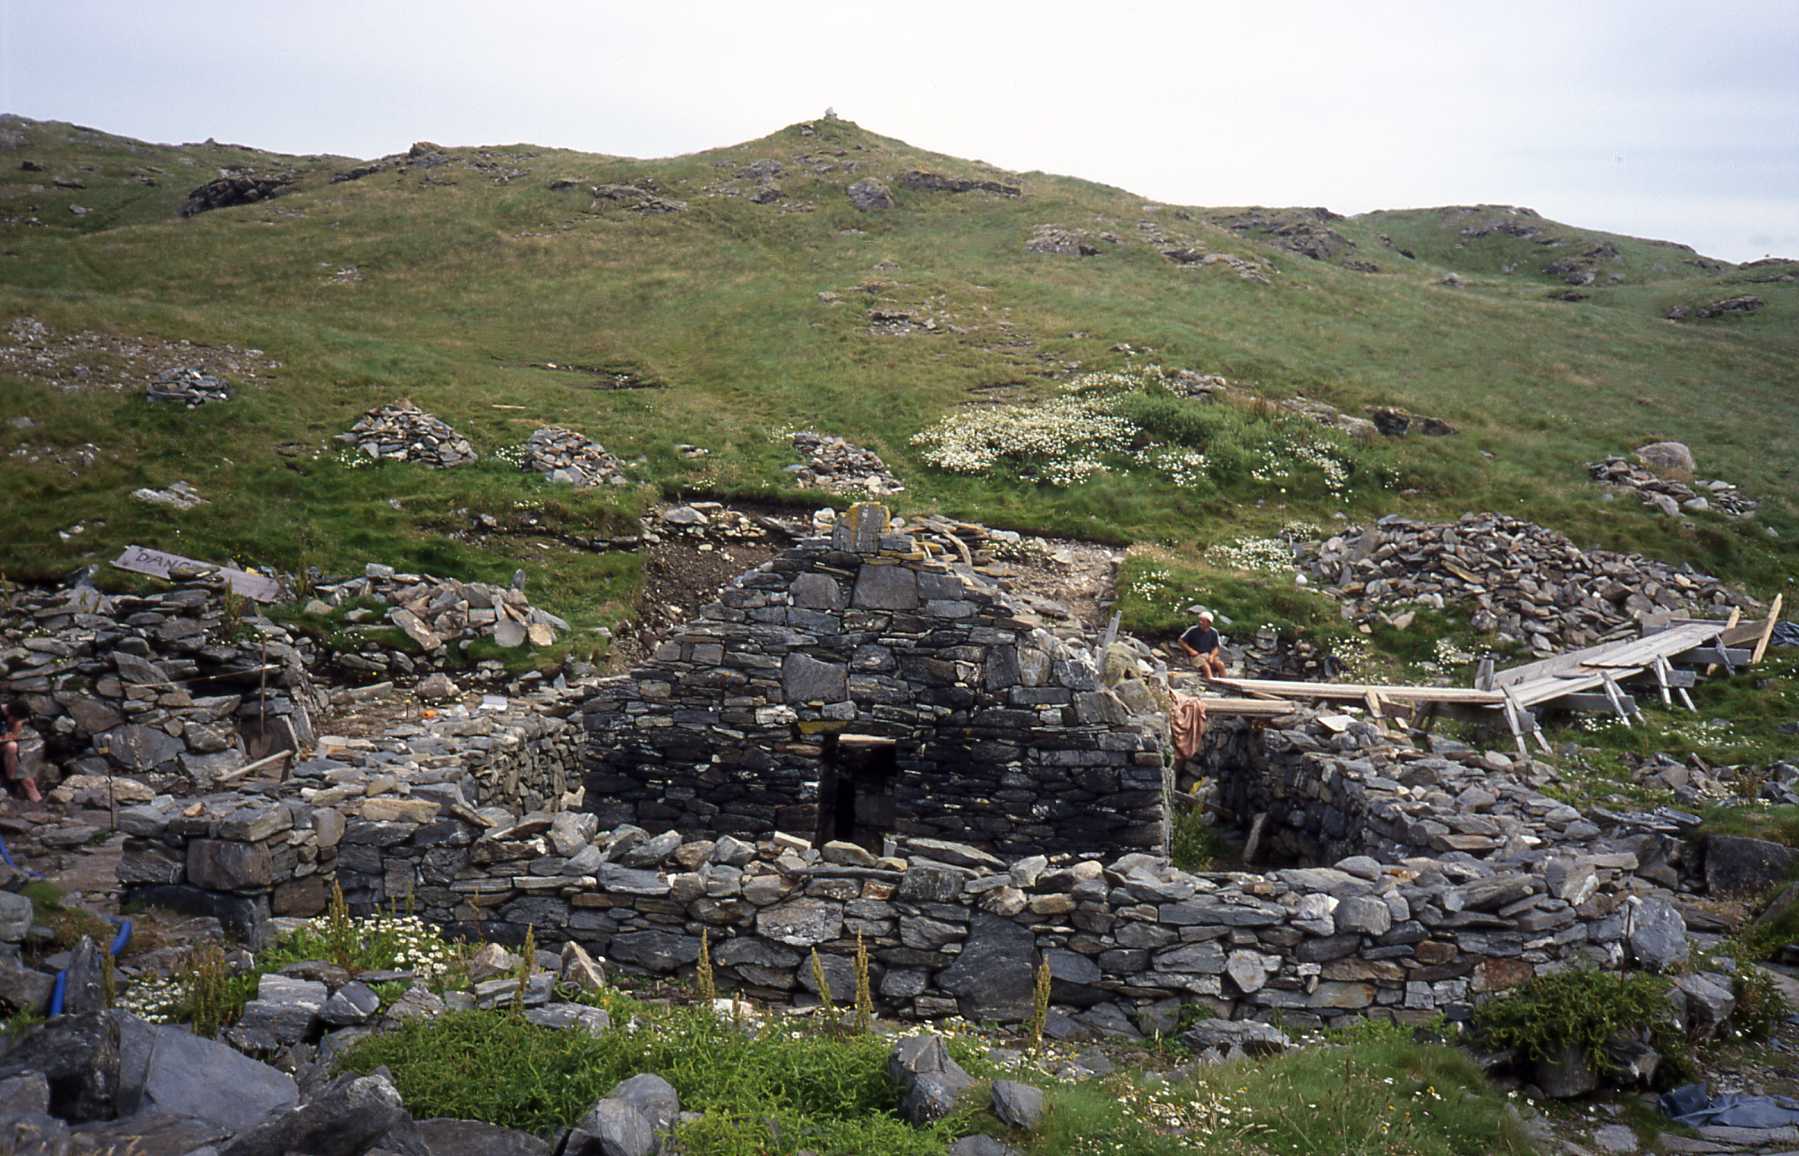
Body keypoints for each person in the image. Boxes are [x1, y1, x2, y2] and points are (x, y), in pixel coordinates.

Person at [2, 700, 40, 803]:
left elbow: (14, 735)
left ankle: (35, 797)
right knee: (12, 746)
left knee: (21, 751)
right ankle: (13, 778)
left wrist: (16, 728)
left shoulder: (15, 718)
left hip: (7, 747)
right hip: (7, 747)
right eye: (15, 718)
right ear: (9, 714)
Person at [1178, 613, 1227, 679]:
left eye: (1203, 621)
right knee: (1206, 667)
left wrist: (1212, 656)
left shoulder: (1214, 632)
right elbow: (1181, 641)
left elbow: (1216, 647)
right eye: (1200, 620)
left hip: (1208, 655)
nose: (1200, 622)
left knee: (1221, 665)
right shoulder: (1193, 630)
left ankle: (1224, 682)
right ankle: (1211, 682)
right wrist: (1190, 650)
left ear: (1209, 623)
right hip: (1196, 656)